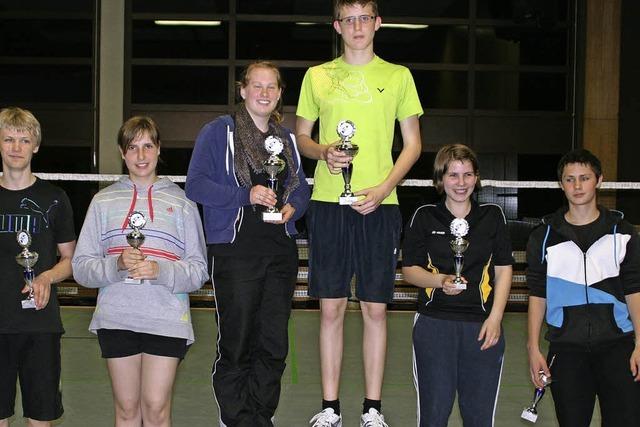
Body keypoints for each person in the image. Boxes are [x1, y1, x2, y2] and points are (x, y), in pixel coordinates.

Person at [295, 1, 423, 425]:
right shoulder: (317, 76)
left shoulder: (398, 76)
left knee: (375, 309)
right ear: (337, 26)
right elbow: (301, 138)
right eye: (348, 19)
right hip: (329, 204)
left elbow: (413, 145)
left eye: (364, 18)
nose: (356, 26)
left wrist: (385, 187)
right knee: (330, 308)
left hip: (379, 205)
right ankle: (330, 408)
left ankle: (372, 410)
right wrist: (324, 152)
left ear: (377, 23)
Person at [185, 61, 310, 427]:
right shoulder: (218, 132)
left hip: (280, 254)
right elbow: (196, 185)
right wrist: (246, 194)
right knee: (237, 344)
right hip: (236, 254)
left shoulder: (285, 139)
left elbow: (300, 185)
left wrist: (293, 206)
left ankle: (260, 417)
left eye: (272, 87)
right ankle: (237, 419)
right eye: (257, 85)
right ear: (243, 90)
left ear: (280, 93)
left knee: (273, 346)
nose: (265, 93)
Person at [72, 116, 208, 426]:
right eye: (133, 148)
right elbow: (81, 268)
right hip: (117, 319)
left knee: (157, 410)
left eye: (148, 146)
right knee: (126, 411)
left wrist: (161, 270)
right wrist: (116, 265)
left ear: (159, 149)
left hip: (166, 319)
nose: (141, 156)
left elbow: (199, 268)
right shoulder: (102, 201)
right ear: (122, 153)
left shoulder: (183, 202)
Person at [526, 148, 640, 427]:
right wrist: (533, 348)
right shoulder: (543, 237)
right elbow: (538, 294)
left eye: (584, 178)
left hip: (618, 348)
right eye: (569, 179)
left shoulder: (623, 233)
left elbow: (634, 288)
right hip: (566, 351)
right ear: (561, 184)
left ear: (599, 180)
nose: (577, 186)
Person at [402, 144, 513, 427]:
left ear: (477, 178)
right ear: (440, 179)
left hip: (482, 328)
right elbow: (410, 271)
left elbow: (503, 270)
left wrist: (496, 318)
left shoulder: (493, 216)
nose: (460, 183)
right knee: (434, 416)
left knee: (479, 418)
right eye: (453, 175)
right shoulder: (424, 216)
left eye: (467, 175)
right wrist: (439, 281)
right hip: (434, 326)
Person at [0, 107, 76, 427]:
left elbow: (70, 260)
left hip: (40, 326)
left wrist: (46, 276)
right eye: (8, 139)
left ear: (36, 146)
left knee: (40, 419)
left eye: (23, 139)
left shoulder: (55, 198)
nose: (16, 147)